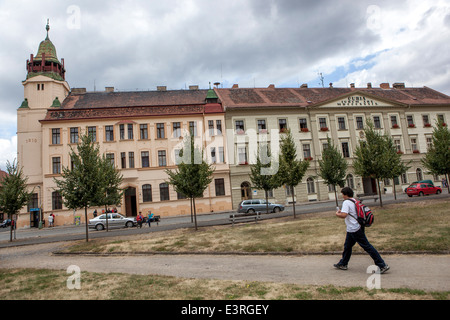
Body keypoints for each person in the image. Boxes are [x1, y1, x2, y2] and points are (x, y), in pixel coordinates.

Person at [334, 187, 390, 274]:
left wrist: (337, 214)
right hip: (357, 227)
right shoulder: (354, 201)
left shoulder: (346, 202)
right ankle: (343, 263)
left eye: (343, 194)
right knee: (347, 246)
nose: (342, 196)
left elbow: (344, 215)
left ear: (345, 194)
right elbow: (352, 212)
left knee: (366, 246)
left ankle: (382, 265)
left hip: (354, 229)